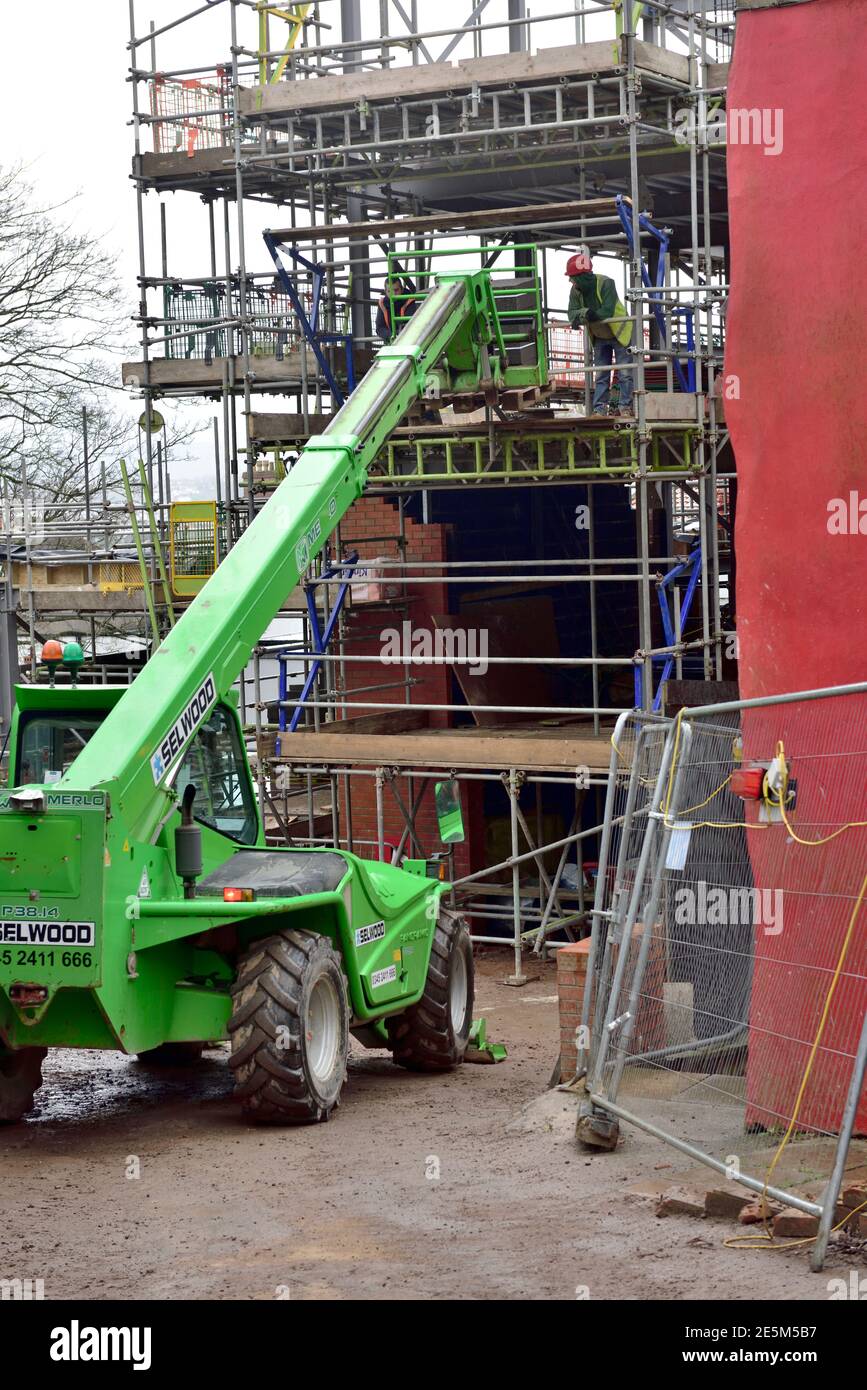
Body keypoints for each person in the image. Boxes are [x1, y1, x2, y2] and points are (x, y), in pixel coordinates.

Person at [566, 246, 634, 416]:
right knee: (601, 375)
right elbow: (571, 314)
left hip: (619, 333)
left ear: (582, 277)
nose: (571, 282)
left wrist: (586, 315)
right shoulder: (575, 291)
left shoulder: (606, 283)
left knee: (625, 373)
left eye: (573, 278)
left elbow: (607, 311)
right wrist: (585, 314)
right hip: (599, 336)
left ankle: (625, 407)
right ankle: (599, 410)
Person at [376, 276, 419, 342]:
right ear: (385, 291)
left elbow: (411, 325)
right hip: (392, 341)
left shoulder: (411, 301)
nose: (393, 294)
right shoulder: (382, 304)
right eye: (389, 291)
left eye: (396, 290)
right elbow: (379, 328)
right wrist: (390, 335)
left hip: (410, 341)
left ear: (402, 289)